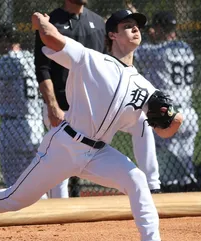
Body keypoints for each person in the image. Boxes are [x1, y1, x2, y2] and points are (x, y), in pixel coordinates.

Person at [0, 9, 183, 241]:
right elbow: (51, 38)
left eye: (137, 26)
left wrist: (172, 117)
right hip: (65, 145)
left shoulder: (145, 86)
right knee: (16, 198)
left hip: (98, 153)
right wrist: (40, 20)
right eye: (128, 26)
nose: (136, 29)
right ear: (112, 34)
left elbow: (165, 129)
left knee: (137, 179)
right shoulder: (91, 59)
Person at [35, 0, 161, 197]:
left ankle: (153, 186)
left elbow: (107, 64)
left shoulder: (97, 22)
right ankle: (59, 209)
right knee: (60, 167)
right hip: (63, 105)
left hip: (98, 107)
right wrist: (52, 105)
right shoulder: (53, 20)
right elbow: (42, 68)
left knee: (141, 122)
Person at [134, 11, 199, 190]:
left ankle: (170, 194)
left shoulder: (156, 52)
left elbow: (132, 49)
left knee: (166, 165)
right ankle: (189, 189)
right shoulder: (186, 48)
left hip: (168, 112)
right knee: (185, 162)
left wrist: (141, 29)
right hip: (189, 112)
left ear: (159, 29)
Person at [0, 23, 46, 194]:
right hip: (37, 126)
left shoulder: (9, 60)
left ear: (4, 40)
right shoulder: (31, 58)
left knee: (14, 186)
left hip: (14, 127)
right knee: (37, 183)